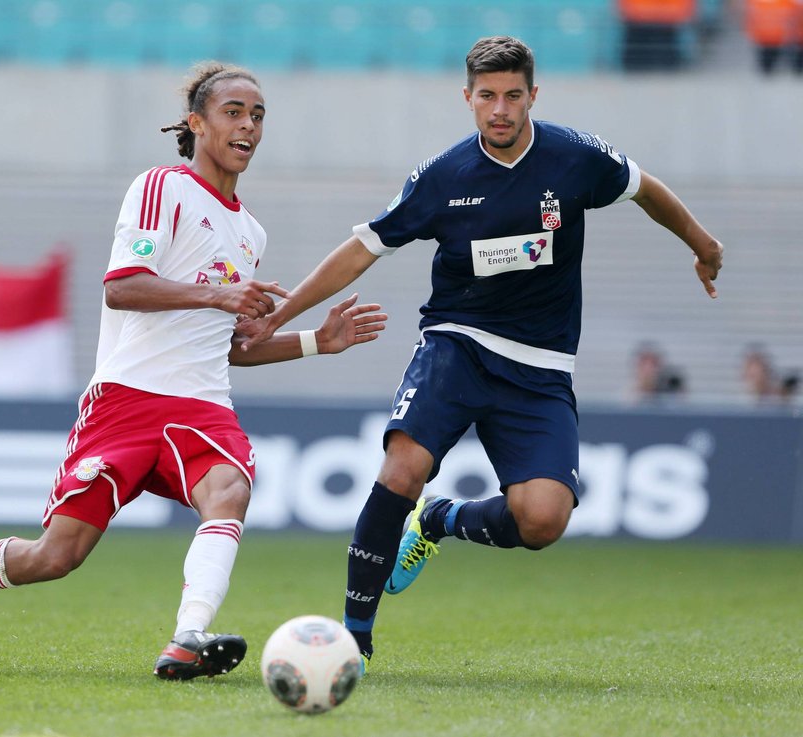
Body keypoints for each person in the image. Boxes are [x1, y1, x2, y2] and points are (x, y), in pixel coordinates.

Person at [0, 62, 387, 680]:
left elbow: (231, 348)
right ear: (197, 123)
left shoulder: (251, 231)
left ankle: (188, 637)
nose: (248, 125)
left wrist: (315, 343)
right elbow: (124, 287)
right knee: (57, 556)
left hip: (201, 407)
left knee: (231, 491)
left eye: (257, 115)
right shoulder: (161, 187)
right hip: (126, 401)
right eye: (233, 112)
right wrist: (218, 295)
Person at [240, 36, 723, 670]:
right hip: (457, 343)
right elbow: (362, 248)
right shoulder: (443, 177)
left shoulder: (574, 157)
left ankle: (440, 520)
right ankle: (353, 635)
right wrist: (281, 313)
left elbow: (643, 188)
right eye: (487, 96)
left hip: (542, 367)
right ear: (468, 98)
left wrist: (702, 242)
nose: (500, 109)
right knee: (402, 468)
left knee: (543, 520)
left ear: (533, 96)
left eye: (513, 96)